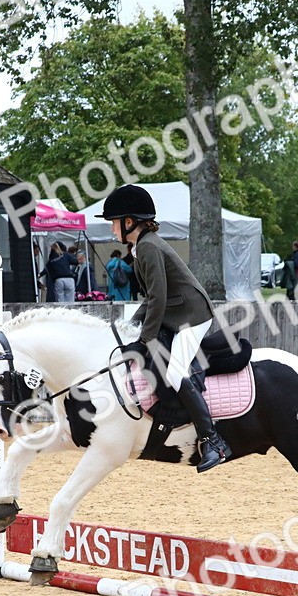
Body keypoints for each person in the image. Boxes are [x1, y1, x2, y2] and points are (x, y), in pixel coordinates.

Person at [99, 183, 230, 472]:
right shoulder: (140, 247)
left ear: (129, 222)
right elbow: (150, 298)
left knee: (175, 371)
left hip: (192, 315)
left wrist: (144, 338)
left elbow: (157, 295)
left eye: (113, 223)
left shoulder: (147, 247)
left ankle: (213, 440)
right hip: (176, 312)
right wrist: (129, 327)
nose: (111, 229)